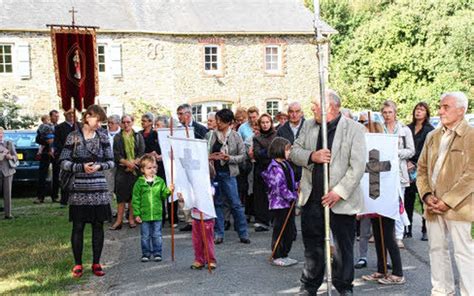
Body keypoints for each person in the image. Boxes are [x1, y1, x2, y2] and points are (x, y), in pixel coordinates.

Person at [290, 89, 366, 295]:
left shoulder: (354, 129)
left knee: (343, 247)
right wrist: (312, 155)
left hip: (340, 200)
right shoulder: (307, 126)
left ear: (330, 107)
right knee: (313, 246)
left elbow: (358, 166)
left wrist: (339, 192)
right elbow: (294, 152)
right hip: (312, 198)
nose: (312, 108)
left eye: (315, 104)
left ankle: (344, 287)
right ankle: (309, 285)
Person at [417, 91, 473, 296]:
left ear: (461, 109)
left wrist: (447, 201)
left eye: (445, 107)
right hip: (432, 205)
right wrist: (426, 195)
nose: (440, 111)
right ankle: (441, 291)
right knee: (436, 251)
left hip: (460, 207)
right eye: (440, 106)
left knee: (463, 252)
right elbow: (421, 169)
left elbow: (472, 174)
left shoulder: (471, 135)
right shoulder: (432, 136)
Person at [59, 105, 115, 278]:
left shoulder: (103, 136)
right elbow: (63, 161)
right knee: (78, 226)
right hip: (79, 189)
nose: (99, 125)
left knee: (98, 225)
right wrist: (80, 167)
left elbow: (111, 162)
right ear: (88, 116)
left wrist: (99, 166)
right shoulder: (73, 136)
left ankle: (96, 262)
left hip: (99, 188)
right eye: (98, 121)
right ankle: (78, 264)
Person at [361, 121, 405, 285]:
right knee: (378, 236)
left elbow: (389, 171)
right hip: (374, 196)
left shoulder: (386, 150)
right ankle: (381, 269)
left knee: (388, 236)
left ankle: (398, 272)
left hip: (386, 197)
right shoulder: (367, 152)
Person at [208, 108, 250, 244]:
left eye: (220, 121)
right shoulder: (211, 135)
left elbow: (243, 156)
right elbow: (204, 152)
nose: (217, 123)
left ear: (228, 122)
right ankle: (218, 233)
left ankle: (243, 233)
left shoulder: (236, 136)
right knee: (217, 203)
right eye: (217, 120)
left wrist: (229, 158)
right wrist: (210, 157)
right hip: (214, 174)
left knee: (235, 203)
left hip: (229, 173)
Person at [381, 100, 415, 249]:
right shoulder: (379, 128)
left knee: (399, 203)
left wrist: (395, 153)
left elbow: (411, 150)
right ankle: (383, 234)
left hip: (399, 171)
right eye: (385, 112)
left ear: (395, 113)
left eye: (390, 112)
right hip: (382, 170)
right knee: (383, 203)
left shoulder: (404, 130)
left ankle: (399, 236)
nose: (387, 115)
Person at [261, 137, 298, 267]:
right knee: (280, 229)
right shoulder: (274, 168)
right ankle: (277, 254)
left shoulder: (286, 164)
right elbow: (279, 187)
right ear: (279, 150)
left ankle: (285, 253)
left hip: (288, 202)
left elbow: (290, 181)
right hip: (279, 204)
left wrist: (297, 186)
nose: (289, 153)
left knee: (289, 229)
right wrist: (292, 196)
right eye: (288, 150)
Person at [132, 155, 173, 262]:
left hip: (157, 213)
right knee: (145, 236)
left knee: (157, 235)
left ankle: (157, 252)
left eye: (154, 167)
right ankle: (146, 253)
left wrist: (169, 191)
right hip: (144, 214)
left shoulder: (160, 181)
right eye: (149, 168)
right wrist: (136, 213)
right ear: (142, 170)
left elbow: (163, 195)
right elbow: (135, 199)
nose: (152, 170)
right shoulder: (139, 183)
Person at [177, 163, 217, 270]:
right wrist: (182, 196)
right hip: (196, 217)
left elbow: (210, 198)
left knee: (207, 240)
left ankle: (211, 259)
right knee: (197, 240)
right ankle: (199, 259)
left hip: (207, 218)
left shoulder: (210, 187)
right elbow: (187, 199)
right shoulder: (192, 187)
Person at [404, 102, 434, 241]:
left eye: (422, 110)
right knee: (408, 199)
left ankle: (425, 229)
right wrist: (407, 162)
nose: (418, 112)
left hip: (422, 168)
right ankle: (407, 228)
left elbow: (430, 151)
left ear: (426, 113)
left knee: (423, 199)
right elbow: (404, 146)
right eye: (417, 109)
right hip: (407, 166)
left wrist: (418, 164)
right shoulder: (407, 128)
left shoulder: (430, 130)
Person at [110, 114, 145, 230]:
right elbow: (116, 154)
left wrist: (134, 163)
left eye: (128, 122)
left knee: (132, 196)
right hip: (122, 169)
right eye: (124, 122)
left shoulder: (138, 136)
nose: (126, 124)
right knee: (121, 196)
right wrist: (127, 163)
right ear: (121, 123)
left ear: (132, 122)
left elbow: (141, 152)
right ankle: (119, 221)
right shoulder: (117, 137)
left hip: (135, 170)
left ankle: (131, 219)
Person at [176, 104, 208, 231]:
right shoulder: (178, 130)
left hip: (196, 166)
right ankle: (189, 220)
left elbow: (203, 147)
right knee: (184, 193)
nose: (178, 117)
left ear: (188, 114)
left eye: (180, 114)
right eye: (177, 114)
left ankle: (199, 217)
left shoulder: (200, 129)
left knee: (196, 193)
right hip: (183, 165)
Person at [252, 113, 277, 232]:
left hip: (274, 169)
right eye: (263, 122)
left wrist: (265, 152)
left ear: (271, 123)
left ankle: (274, 219)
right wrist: (269, 151)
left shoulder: (277, 135)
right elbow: (257, 154)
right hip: (261, 169)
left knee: (274, 194)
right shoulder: (257, 138)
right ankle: (262, 221)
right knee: (261, 196)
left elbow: (278, 151)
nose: (265, 125)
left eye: (267, 122)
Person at [53, 109, 78, 206]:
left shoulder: (79, 126)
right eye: (69, 114)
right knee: (65, 178)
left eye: (73, 113)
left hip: (78, 156)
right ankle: (64, 200)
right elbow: (57, 143)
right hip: (65, 156)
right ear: (65, 115)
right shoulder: (60, 127)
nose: (71, 115)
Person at [277, 102, 305, 182]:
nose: (294, 114)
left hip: (305, 169)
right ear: (288, 113)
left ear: (301, 113)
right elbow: (278, 151)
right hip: (288, 170)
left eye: (297, 111)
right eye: (291, 111)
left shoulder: (308, 127)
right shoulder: (281, 130)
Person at [0, 127, 18, 219]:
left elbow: (16, 156)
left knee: (8, 193)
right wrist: (2, 155)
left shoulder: (9, 143)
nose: (0, 135)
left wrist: (11, 157)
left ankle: (8, 214)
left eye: (1, 133)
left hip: (8, 171)